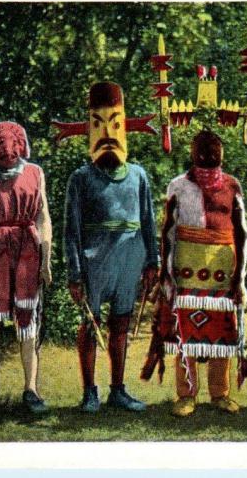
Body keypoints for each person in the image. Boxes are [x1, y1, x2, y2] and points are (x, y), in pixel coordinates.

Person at [64, 81, 159, 413]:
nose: (107, 134)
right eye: (98, 125)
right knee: (91, 324)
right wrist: (74, 273)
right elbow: (71, 230)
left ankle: (118, 389)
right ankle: (90, 391)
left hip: (129, 257)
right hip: (94, 258)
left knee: (121, 323)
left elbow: (148, 220)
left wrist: (153, 261)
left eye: (115, 124)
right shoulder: (80, 178)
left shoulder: (138, 176)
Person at [158, 130, 247, 417]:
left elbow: (243, 232)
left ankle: (220, 393)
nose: (209, 156)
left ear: (222, 152)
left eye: (214, 150)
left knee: (222, 332)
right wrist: (166, 273)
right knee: (185, 331)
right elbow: (168, 232)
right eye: (203, 150)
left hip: (223, 270)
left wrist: (241, 278)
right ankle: (186, 395)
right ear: (192, 152)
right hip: (187, 269)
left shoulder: (233, 185)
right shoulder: (178, 186)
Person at [0, 121, 52, 417]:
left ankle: (31, 389)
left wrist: (47, 259)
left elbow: (43, 218)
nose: (7, 156)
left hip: (27, 250)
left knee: (28, 322)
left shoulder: (34, 172)